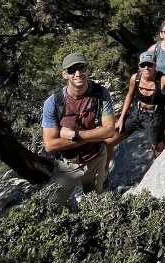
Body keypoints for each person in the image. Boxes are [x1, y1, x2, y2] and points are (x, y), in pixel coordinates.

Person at [41, 53, 116, 206]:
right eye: (71, 70)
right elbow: (50, 145)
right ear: (64, 75)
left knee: (96, 205)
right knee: (52, 205)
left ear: (88, 69)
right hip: (67, 165)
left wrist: (74, 135)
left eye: (81, 67)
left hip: (96, 159)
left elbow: (109, 132)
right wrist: (95, 134)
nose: (78, 73)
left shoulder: (101, 94)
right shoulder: (53, 103)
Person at [106, 51, 165, 163]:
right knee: (110, 140)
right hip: (137, 113)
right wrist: (121, 118)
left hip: (155, 117)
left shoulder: (163, 79)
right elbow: (129, 96)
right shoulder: (135, 78)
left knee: (156, 147)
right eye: (143, 65)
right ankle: (104, 173)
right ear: (139, 66)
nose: (146, 68)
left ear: (155, 66)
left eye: (150, 65)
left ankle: (159, 169)